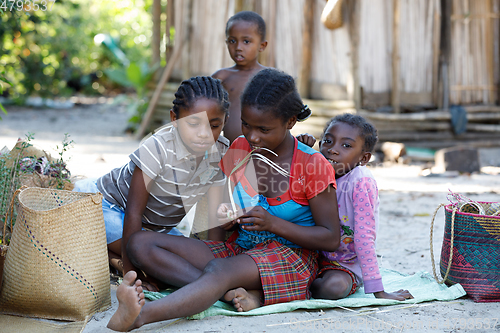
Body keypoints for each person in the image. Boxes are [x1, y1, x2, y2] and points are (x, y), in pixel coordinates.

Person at [107, 68, 341, 332]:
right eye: (246, 125)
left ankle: (141, 316)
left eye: (264, 129)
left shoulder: (313, 165)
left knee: (219, 270)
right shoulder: (239, 149)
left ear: (290, 122)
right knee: (140, 244)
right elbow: (217, 214)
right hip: (240, 250)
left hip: (290, 256)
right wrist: (225, 222)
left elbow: (331, 237)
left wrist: (273, 224)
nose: (252, 137)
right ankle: (225, 290)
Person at [73, 76, 230, 287]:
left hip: (153, 230)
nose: (204, 134)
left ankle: (113, 258)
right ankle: (122, 263)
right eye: (193, 124)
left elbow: (213, 218)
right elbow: (133, 214)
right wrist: (134, 276)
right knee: (155, 261)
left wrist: (215, 263)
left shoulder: (219, 151)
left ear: (224, 122)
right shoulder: (157, 149)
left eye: (214, 125)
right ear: (174, 118)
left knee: (178, 262)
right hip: (104, 207)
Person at [304, 113, 414, 301]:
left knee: (334, 288)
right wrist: (302, 151)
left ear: (364, 158)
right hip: (308, 255)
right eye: (328, 141)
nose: (333, 150)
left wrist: (378, 291)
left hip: (343, 264)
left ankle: (302, 287)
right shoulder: (313, 169)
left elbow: (364, 237)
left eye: (346, 145)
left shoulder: (360, 181)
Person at [212, 11, 268, 143]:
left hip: (262, 151)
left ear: (262, 45)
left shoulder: (270, 78)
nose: (238, 47)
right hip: (228, 150)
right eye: (232, 41)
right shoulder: (221, 77)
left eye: (246, 41)